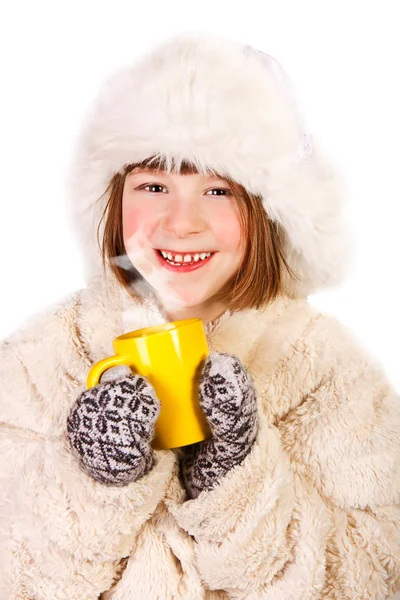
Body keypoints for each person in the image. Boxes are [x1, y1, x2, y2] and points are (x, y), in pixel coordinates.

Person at [0, 30, 399, 600]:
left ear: (270, 213)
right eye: (154, 184)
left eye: (218, 191)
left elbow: (374, 579)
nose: (180, 221)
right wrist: (95, 480)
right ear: (113, 201)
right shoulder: (39, 361)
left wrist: (235, 480)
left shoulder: (330, 373)